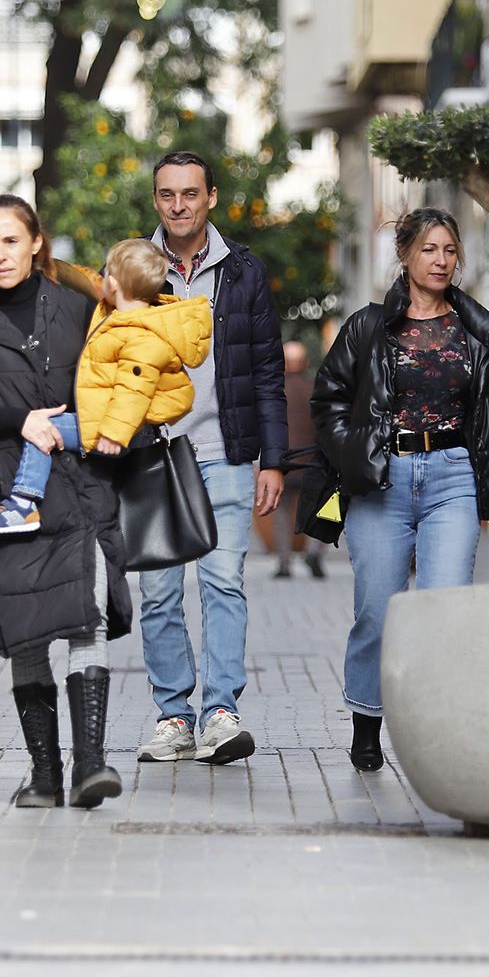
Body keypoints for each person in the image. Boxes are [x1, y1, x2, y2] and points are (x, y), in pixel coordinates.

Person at [313, 208, 489, 771]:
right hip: (382, 480)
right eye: (429, 249)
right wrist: (355, 455)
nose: (440, 260)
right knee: (377, 613)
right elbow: (329, 400)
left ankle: (438, 728)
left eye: (450, 251)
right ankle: (367, 720)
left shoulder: (479, 334)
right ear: (406, 255)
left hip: (454, 477)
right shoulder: (367, 327)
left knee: (445, 611)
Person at [0, 194, 132, 809]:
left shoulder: (78, 310)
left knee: (84, 618)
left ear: (36, 242)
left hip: (80, 487)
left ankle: (91, 765)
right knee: (25, 634)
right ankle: (44, 773)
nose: (0, 254)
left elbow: (116, 382)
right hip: (7, 495)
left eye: (11, 241)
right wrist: (21, 419)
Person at [135, 150, 287, 766]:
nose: (179, 206)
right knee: (158, 593)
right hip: (152, 458)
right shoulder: (133, 269)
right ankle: (173, 716)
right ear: (156, 202)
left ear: (211, 197)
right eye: (167, 195)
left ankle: (220, 712)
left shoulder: (244, 271)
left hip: (225, 451)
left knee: (224, 582)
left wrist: (272, 460)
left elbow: (267, 372)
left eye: (189, 194)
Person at [0, 237, 210, 533]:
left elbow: (133, 391)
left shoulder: (141, 334)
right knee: (46, 427)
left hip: (114, 429)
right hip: (107, 421)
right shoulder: (121, 313)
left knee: (42, 428)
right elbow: (86, 280)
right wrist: (50, 266)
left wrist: (113, 434)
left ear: (113, 282)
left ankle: (23, 504)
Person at [274, 339, 326, 579]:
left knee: (282, 512)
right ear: (304, 362)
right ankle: (313, 552)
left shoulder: (274, 389)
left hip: (283, 462)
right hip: (313, 461)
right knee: (318, 509)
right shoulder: (316, 387)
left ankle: (284, 563)